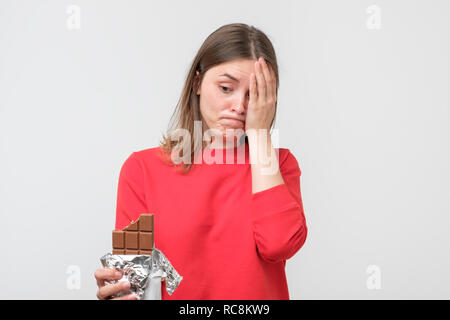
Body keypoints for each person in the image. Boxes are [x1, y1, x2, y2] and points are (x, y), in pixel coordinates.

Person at [95, 23, 308, 300]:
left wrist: (259, 135)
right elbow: (132, 284)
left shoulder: (278, 165)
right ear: (197, 83)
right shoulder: (142, 169)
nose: (240, 106)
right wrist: (118, 291)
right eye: (225, 88)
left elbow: (279, 245)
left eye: (254, 95)